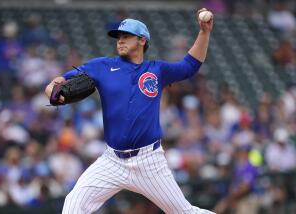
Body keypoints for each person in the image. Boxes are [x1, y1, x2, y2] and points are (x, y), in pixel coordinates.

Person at [45, 8, 214, 214]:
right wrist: (52, 91)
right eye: (118, 37)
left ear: (142, 40)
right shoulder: (102, 66)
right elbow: (59, 80)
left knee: (184, 212)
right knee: (73, 205)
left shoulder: (157, 70)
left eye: (126, 36)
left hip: (149, 162)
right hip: (112, 161)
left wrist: (204, 32)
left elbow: (190, 66)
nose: (120, 41)